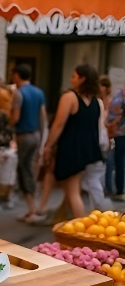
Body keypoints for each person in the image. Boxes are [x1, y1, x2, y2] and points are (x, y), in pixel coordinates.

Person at [36, 63, 106, 220]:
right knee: (72, 190)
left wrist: (48, 145)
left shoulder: (69, 97)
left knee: (73, 192)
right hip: (88, 150)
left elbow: (58, 124)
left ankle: (80, 229)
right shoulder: (96, 101)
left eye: (74, 76)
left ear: (82, 79)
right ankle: (66, 222)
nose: (71, 79)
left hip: (71, 149)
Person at [9, 63, 48, 222]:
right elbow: (43, 116)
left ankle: (32, 208)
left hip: (23, 135)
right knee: (30, 168)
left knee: (24, 169)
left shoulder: (18, 94)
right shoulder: (39, 92)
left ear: (17, 75)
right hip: (36, 134)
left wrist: (8, 119)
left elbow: (15, 118)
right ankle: (32, 208)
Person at [106, 80, 125, 201]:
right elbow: (113, 118)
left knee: (119, 162)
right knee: (119, 162)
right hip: (120, 135)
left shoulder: (117, 98)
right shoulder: (118, 100)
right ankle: (118, 189)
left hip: (120, 134)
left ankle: (118, 189)